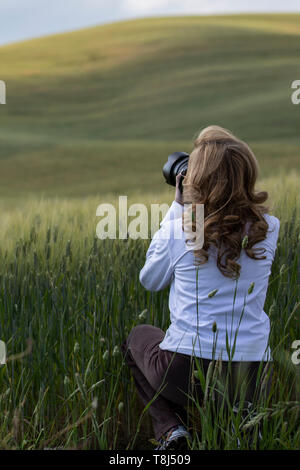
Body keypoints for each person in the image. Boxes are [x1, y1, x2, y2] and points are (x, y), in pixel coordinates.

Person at [121, 125, 280, 450]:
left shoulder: (183, 228)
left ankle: (171, 431)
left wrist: (179, 206)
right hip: (252, 374)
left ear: (197, 178)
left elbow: (150, 280)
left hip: (185, 372)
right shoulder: (269, 229)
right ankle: (239, 423)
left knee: (137, 338)